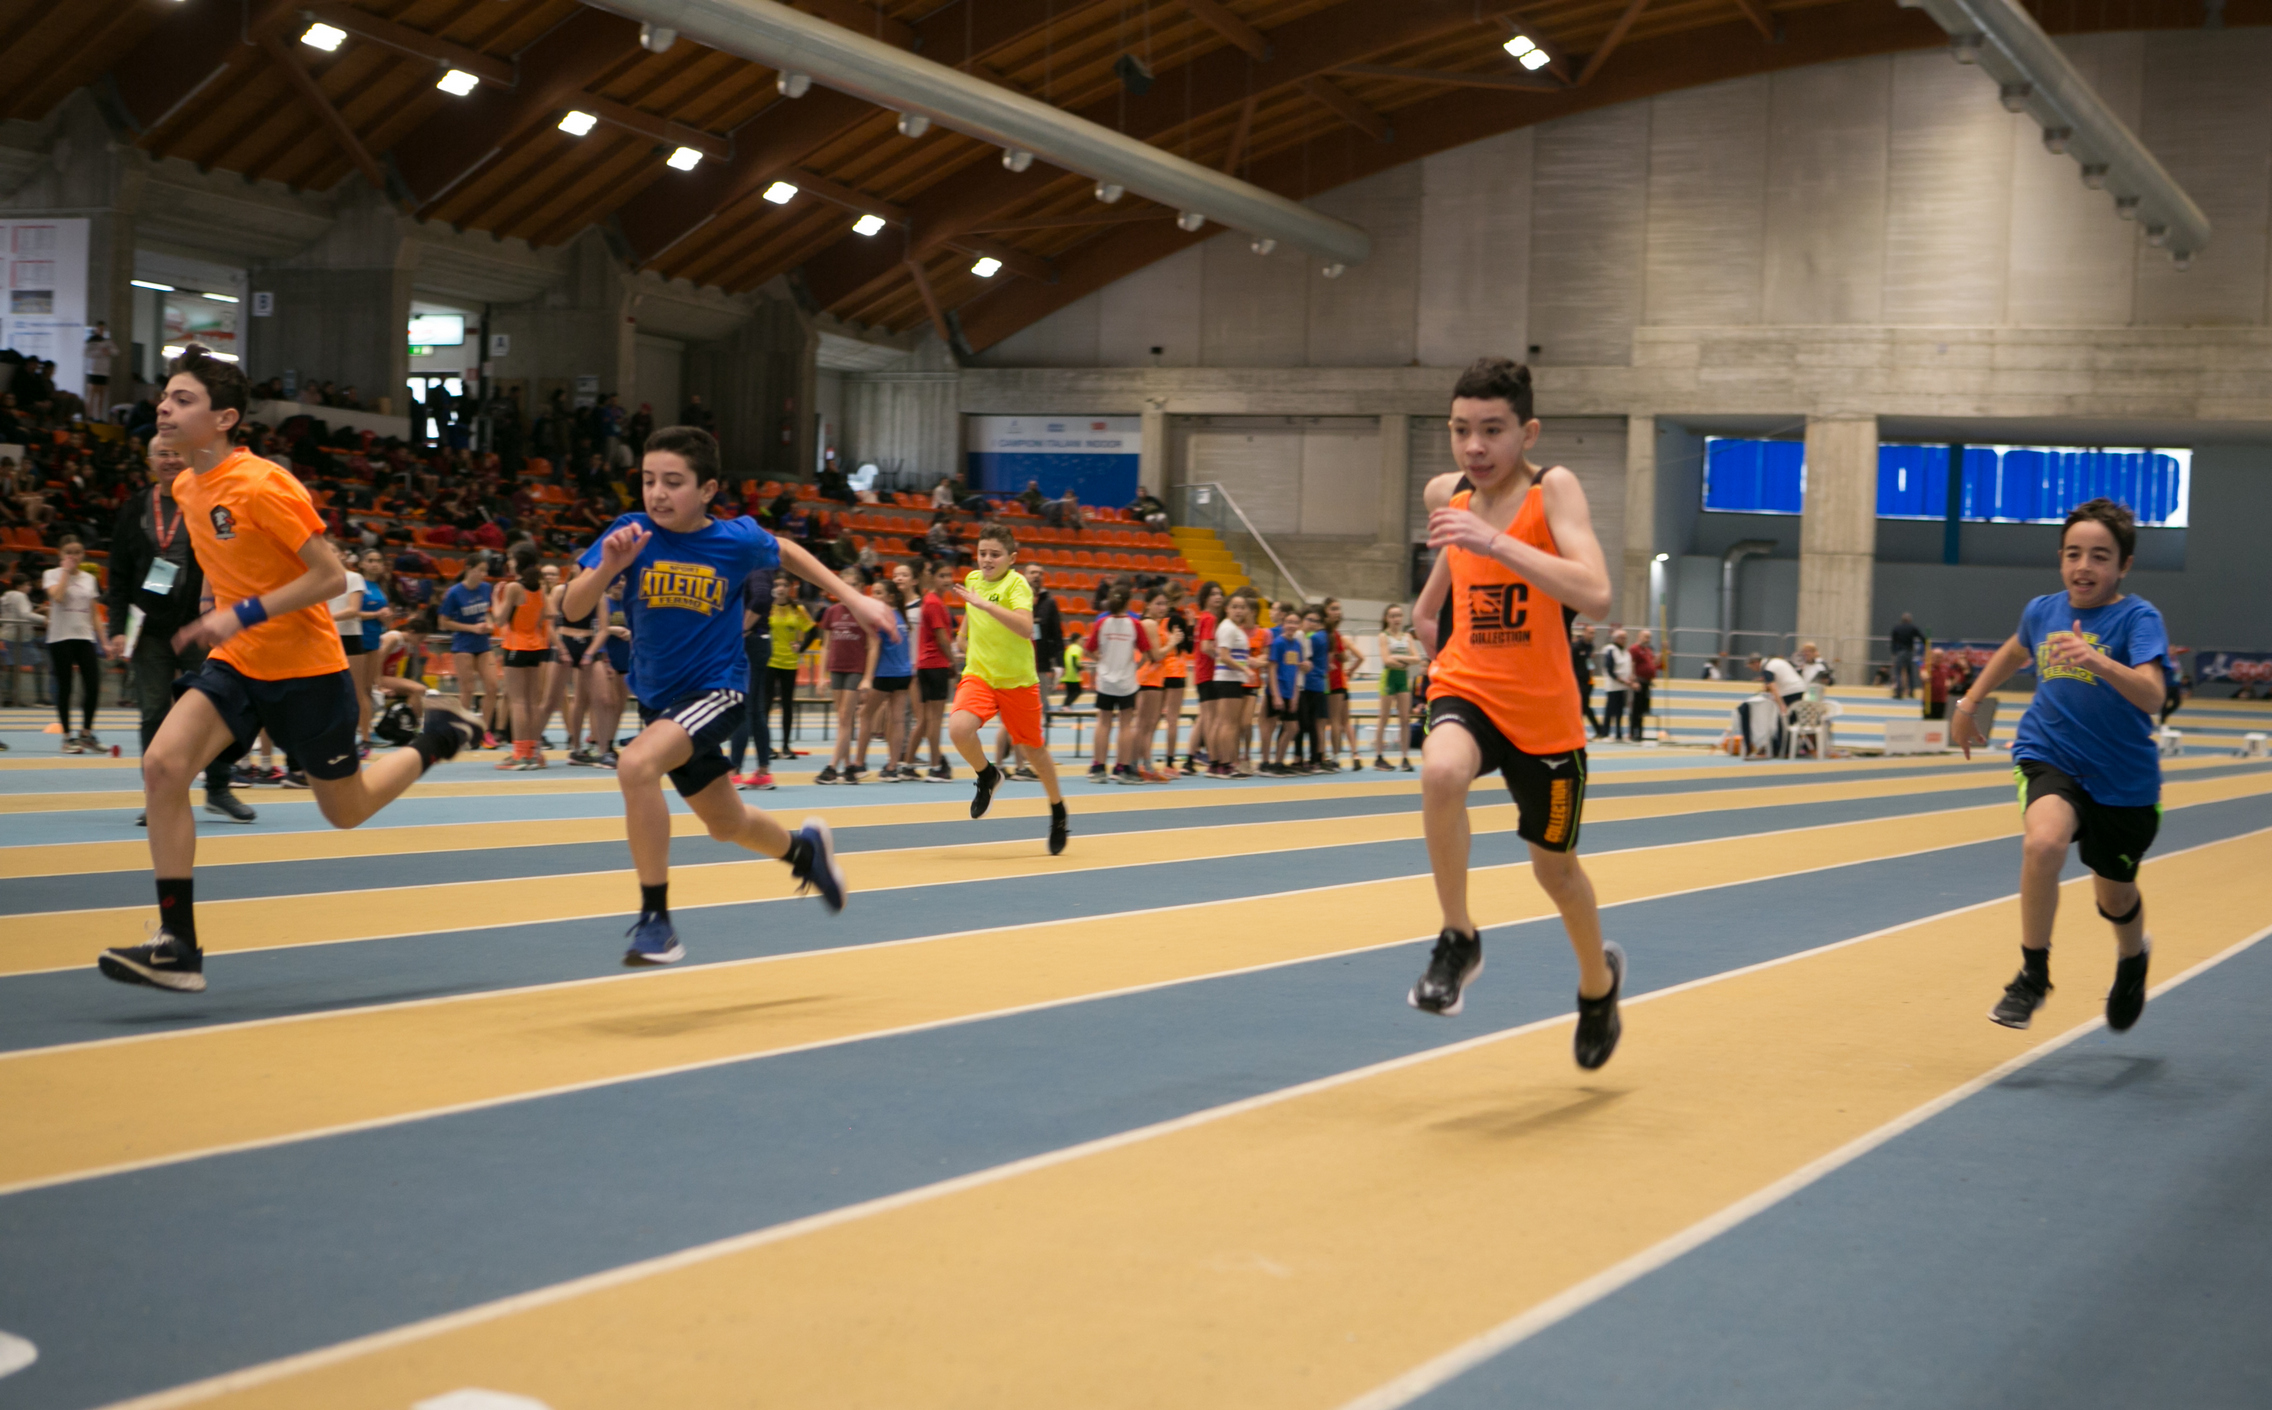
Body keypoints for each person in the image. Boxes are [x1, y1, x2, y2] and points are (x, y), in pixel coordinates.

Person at [97, 346, 486, 993]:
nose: (164, 407)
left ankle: (439, 737)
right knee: (161, 767)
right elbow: (222, 558)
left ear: (224, 418)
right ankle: (177, 944)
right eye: (165, 395)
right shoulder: (187, 486)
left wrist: (242, 612)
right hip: (237, 663)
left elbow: (329, 576)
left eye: (183, 399)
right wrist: (214, 605)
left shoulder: (264, 484)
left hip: (306, 668)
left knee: (346, 810)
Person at [562, 425, 894, 965]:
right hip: (661, 703)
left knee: (635, 765)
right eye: (648, 480)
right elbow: (573, 609)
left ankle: (657, 922)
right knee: (726, 824)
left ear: (708, 489)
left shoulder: (735, 540)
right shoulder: (630, 532)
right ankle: (804, 852)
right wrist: (608, 569)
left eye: (674, 482)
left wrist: (854, 599)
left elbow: (787, 551)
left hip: (717, 690)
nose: (657, 493)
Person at [1408, 357, 1625, 1070]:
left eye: (1493, 430)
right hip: (1469, 685)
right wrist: (1431, 610)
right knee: (1440, 773)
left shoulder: (1552, 489)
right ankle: (1458, 936)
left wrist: (1495, 542)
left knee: (1555, 874)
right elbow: (1451, 554)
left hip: (1543, 714)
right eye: (1460, 430)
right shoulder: (1447, 492)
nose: (1474, 447)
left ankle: (1597, 987)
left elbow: (1596, 594)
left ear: (1527, 433)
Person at [1952, 498, 2166, 1035]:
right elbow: (2014, 650)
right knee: (2044, 843)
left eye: (2099, 556)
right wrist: (1969, 703)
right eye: (2073, 554)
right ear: (2061, 558)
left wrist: (2098, 660)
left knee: (2114, 895)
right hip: (2051, 754)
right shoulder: (2042, 611)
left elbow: (2152, 695)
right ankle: (2032, 975)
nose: (2083, 566)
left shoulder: (2138, 618)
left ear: (2124, 565)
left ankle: (2132, 957)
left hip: (2122, 779)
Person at [105, 442, 256, 822]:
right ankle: (158, 795)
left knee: (217, 707)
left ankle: (218, 788)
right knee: (153, 711)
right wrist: (117, 628)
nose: (170, 460)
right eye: (162, 454)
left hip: (199, 622)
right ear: (150, 461)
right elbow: (118, 574)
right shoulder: (135, 508)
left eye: (175, 453)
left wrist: (223, 613)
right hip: (149, 628)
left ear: (187, 457)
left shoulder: (205, 499)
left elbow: (229, 556)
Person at [948, 520, 1069, 854]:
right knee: (958, 729)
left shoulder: (1017, 585)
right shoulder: (973, 580)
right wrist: (963, 636)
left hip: (1018, 682)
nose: (987, 559)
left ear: (1011, 558)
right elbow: (971, 613)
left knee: (1033, 752)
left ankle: (1058, 808)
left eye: (995, 554)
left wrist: (987, 605)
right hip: (981, 675)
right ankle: (987, 775)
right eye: (982, 553)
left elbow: (1025, 628)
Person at [489, 543, 552, 769]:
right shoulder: (540, 586)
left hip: (516, 644)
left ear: (518, 561)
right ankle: (534, 753)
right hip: (536, 644)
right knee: (533, 702)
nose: (509, 562)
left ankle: (520, 754)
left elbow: (499, 619)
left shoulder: (514, 587)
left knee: (517, 702)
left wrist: (495, 598)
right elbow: (548, 614)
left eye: (511, 558)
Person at [43, 536, 105, 753]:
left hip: (84, 637)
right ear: (60, 554)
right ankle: (67, 738)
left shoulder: (89, 578)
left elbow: (94, 613)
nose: (73, 556)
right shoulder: (51, 575)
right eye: (68, 552)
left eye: (77, 552)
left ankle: (86, 734)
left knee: (93, 686)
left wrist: (104, 641)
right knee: (65, 687)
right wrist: (66, 573)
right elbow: (58, 597)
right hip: (60, 638)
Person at [814, 567, 874, 785]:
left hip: (855, 669)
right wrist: (821, 676)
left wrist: (868, 677)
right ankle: (848, 767)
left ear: (861, 587)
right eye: (845, 585)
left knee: (844, 719)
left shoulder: (865, 611)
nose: (848, 589)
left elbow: (872, 646)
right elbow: (826, 645)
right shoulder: (832, 612)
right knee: (843, 720)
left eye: (853, 585)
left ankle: (832, 767)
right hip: (836, 669)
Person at [1085, 584, 1145, 782]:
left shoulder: (1102, 623)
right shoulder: (1135, 624)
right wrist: (1135, 666)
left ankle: (1098, 768)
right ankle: (1122, 768)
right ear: (1129, 602)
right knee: (1125, 725)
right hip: (1126, 681)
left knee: (1103, 723)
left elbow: (1088, 650)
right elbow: (1147, 652)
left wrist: (1101, 660)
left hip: (1105, 681)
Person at [440, 556, 502, 744]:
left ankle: (484, 730)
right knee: (467, 690)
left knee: (492, 687)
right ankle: (462, 732)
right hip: (463, 645)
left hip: (483, 644)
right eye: (480, 570)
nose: (484, 574)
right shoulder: (454, 593)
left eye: (485, 571)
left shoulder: (486, 588)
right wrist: (471, 628)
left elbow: (487, 613)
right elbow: (443, 622)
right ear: (469, 568)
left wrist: (488, 624)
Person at [1206, 591, 1258, 778]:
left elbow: (1234, 655)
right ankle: (1226, 764)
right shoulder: (1228, 628)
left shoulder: (1232, 628)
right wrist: (1245, 670)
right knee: (1229, 724)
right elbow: (1225, 656)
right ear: (1227, 609)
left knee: (1222, 722)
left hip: (1228, 678)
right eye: (1235, 607)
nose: (1239, 611)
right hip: (1229, 679)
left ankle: (1216, 764)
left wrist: (1248, 663)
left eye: (1242, 607)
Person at [766, 576, 812, 761]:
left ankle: (785, 746)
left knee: (787, 705)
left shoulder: (798, 610)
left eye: (784, 585)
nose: (781, 588)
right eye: (777, 585)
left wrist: (801, 647)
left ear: (790, 588)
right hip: (769, 662)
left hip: (789, 663)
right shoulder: (766, 608)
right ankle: (766, 746)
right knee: (765, 705)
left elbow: (813, 630)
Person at [1373, 603, 1418, 770]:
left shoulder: (1407, 637)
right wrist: (1404, 661)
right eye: (1392, 616)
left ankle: (1405, 758)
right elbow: (1386, 660)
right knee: (1384, 717)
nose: (1396, 619)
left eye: (1399, 615)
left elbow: (1416, 658)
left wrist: (1398, 658)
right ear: (1387, 618)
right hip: (1389, 678)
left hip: (1402, 679)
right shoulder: (1383, 636)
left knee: (1405, 719)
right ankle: (1379, 757)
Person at [1598, 628, 1634, 742]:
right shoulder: (1611, 650)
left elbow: (1628, 668)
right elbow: (1609, 669)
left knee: (1620, 711)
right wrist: (1621, 680)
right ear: (1616, 638)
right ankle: (1605, 733)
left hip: (1623, 686)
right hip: (1613, 686)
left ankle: (1619, 734)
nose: (1624, 640)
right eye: (1622, 638)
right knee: (1610, 710)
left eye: (1625, 638)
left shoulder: (1626, 652)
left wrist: (1629, 679)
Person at [1627, 627, 1657, 743]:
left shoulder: (1648, 650)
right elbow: (1631, 663)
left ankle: (1640, 732)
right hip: (1638, 682)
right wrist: (1633, 680)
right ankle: (1633, 732)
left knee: (1643, 710)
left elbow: (1653, 663)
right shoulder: (1634, 649)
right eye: (1646, 637)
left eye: (1649, 637)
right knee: (1635, 709)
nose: (1648, 639)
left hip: (1646, 683)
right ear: (1639, 637)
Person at [1570, 623, 1599, 736]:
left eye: (1594, 633)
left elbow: (1590, 663)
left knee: (1584, 706)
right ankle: (1597, 730)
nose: (1592, 635)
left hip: (1588, 681)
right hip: (1577, 681)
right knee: (1582, 707)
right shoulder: (1576, 647)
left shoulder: (1591, 646)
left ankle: (1589, 730)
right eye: (1590, 633)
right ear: (1584, 633)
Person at [1889, 612, 1923, 699]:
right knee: (1910, 672)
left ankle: (1899, 692)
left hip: (1900, 652)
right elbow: (1921, 637)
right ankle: (1911, 692)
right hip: (1909, 652)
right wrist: (1927, 644)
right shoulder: (1912, 627)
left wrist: (1893, 652)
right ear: (1910, 620)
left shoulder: (1897, 628)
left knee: (1898, 672)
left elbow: (1893, 641)